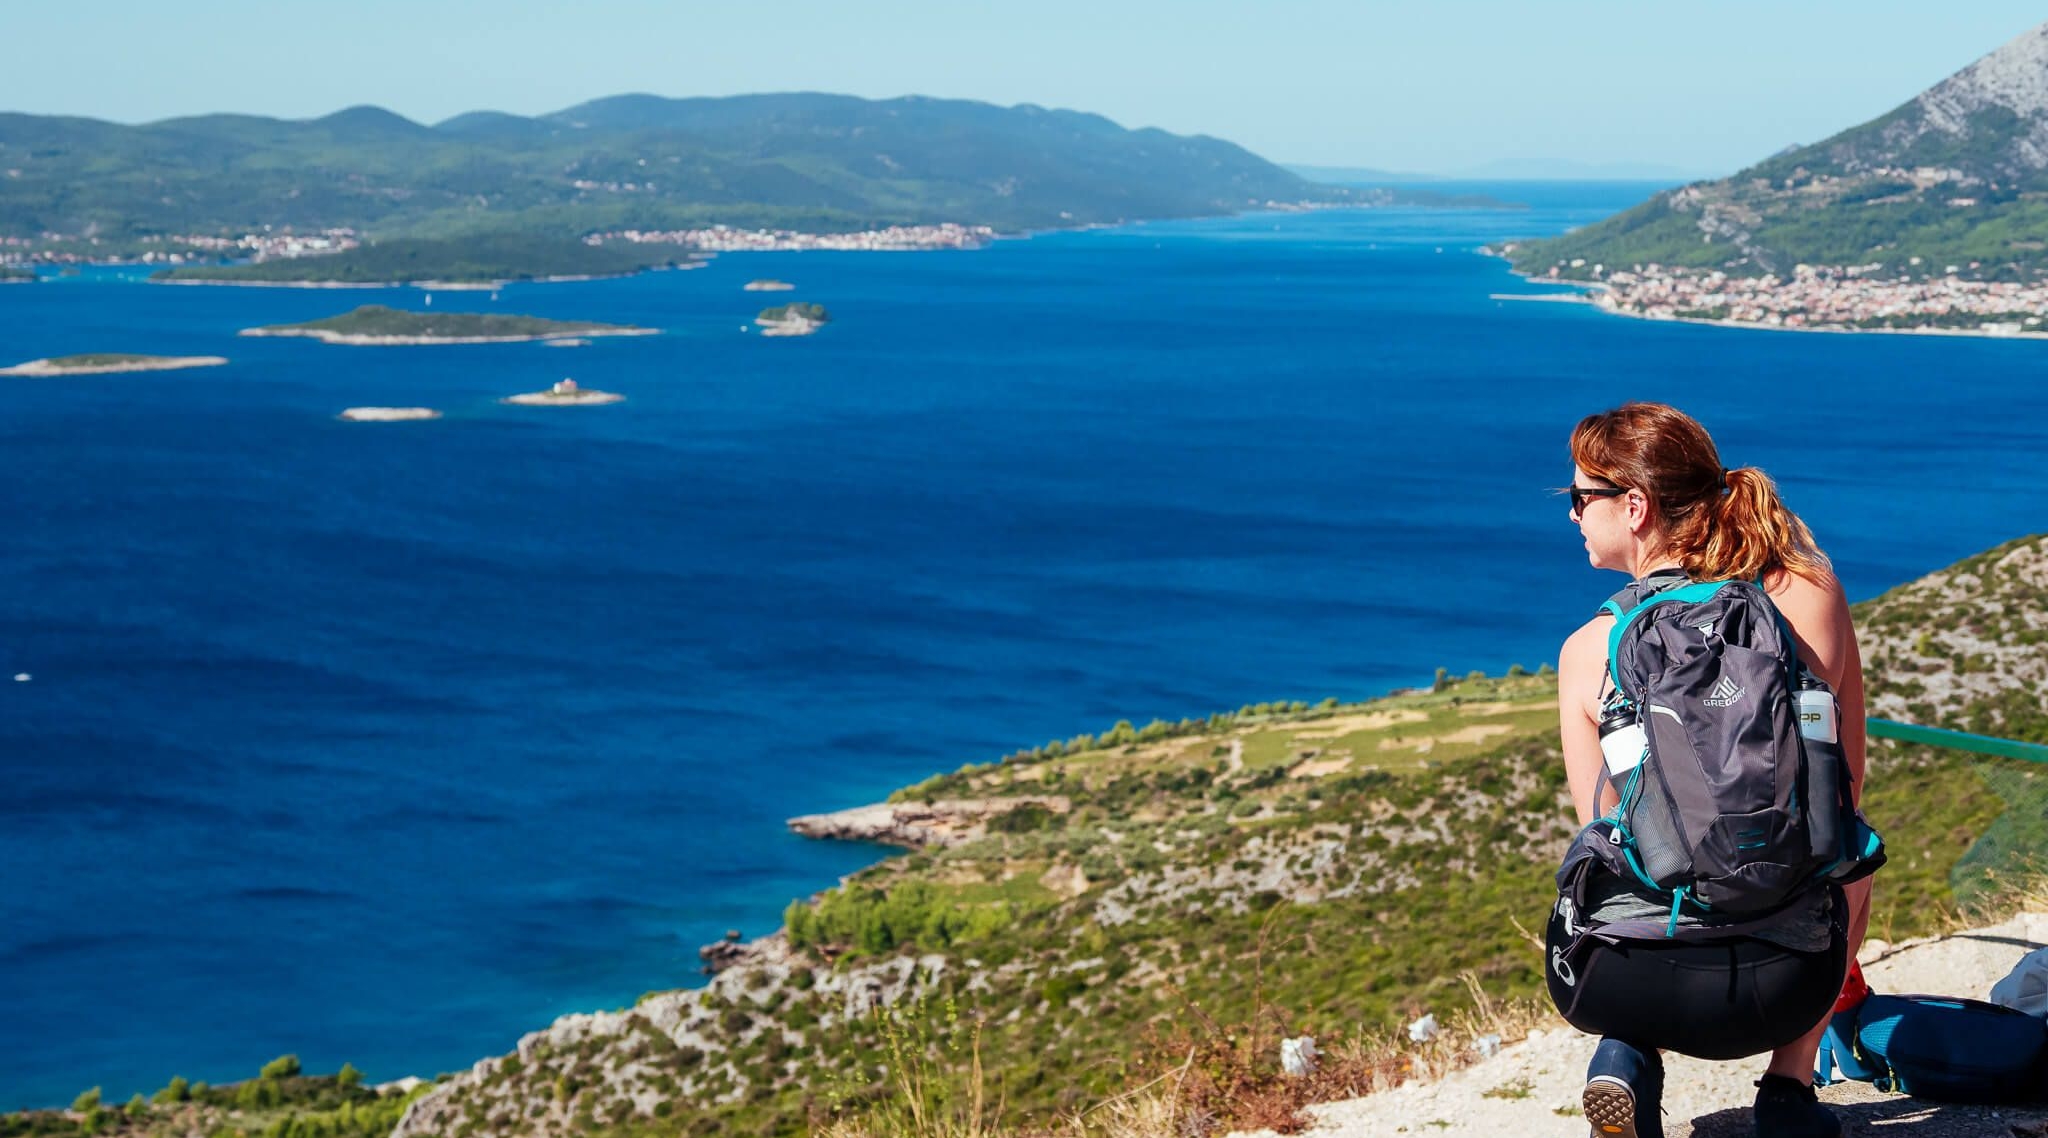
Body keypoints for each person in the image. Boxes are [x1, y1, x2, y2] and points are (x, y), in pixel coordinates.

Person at [1546, 402, 1873, 1138]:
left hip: (1622, 984)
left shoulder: (1586, 651)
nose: (1572, 515)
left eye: (1580, 498)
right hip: (1788, 984)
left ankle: (1626, 1054)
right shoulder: (1809, 595)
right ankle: (1789, 1089)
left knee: (1622, 860)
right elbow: (1843, 789)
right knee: (1855, 856)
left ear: (1634, 507)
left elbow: (1603, 834)